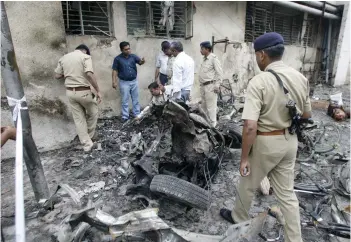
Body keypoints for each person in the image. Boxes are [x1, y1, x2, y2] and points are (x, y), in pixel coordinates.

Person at [220, 32, 311, 242]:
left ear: (261, 55)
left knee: (247, 183)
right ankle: (294, 239)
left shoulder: (259, 82)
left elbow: (250, 126)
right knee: (287, 196)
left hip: (265, 142)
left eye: (256, 55)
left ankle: (239, 221)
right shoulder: (300, 78)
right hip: (290, 142)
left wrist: (244, 158)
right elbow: (307, 114)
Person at [55, 44, 102, 152]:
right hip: (83, 91)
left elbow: (57, 76)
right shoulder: (85, 57)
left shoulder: (64, 58)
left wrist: (68, 74)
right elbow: (89, 74)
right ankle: (90, 136)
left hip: (70, 92)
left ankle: (86, 144)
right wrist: (98, 91)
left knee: (79, 119)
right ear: (85, 51)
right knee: (93, 113)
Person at [112, 41, 145, 122]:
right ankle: (125, 116)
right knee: (125, 100)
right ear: (121, 50)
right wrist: (114, 81)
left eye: (129, 49)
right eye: (126, 49)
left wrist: (143, 61)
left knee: (135, 99)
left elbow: (140, 62)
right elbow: (115, 71)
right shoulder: (117, 59)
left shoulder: (133, 57)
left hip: (134, 81)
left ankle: (137, 114)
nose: (128, 51)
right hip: (124, 82)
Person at [199, 41, 223, 127]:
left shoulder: (213, 59)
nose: (200, 51)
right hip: (203, 86)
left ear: (207, 49)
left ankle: (213, 128)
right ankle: (205, 127)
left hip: (210, 86)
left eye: (202, 49)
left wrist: (217, 85)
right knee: (203, 108)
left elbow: (219, 73)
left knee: (211, 109)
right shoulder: (204, 59)